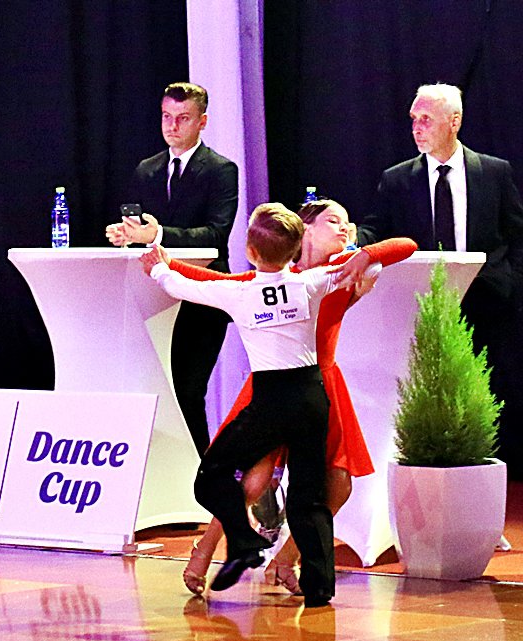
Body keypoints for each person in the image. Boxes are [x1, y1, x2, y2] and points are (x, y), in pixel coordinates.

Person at [172, 200, 417, 596]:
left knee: (338, 486)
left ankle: (287, 558)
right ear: (305, 230)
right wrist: (164, 260)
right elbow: (209, 280)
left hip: (321, 386)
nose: (345, 228)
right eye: (333, 220)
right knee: (253, 480)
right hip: (272, 388)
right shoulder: (278, 275)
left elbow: (405, 245)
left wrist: (366, 255)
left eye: (348, 221)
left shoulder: (342, 269)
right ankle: (206, 547)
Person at [357, 83, 523, 471]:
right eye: (414, 119)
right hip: (423, 304)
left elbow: (516, 233)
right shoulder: (397, 179)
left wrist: (512, 284)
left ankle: (485, 483)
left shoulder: (494, 172)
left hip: (487, 301)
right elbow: (375, 229)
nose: (417, 127)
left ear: (454, 121)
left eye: (426, 119)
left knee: (489, 396)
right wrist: (351, 239)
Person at [107, 82, 240, 456]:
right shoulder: (147, 170)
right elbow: (143, 229)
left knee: (188, 392)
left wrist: (158, 234)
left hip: (201, 299)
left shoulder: (220, 170)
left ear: (202, 122)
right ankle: (165, 474)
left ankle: (201, 477)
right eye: (167, 116)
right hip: (155, 299)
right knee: (159, 393)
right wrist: (128, 235)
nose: (172, 126)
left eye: (183, 118)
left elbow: (216, 234)